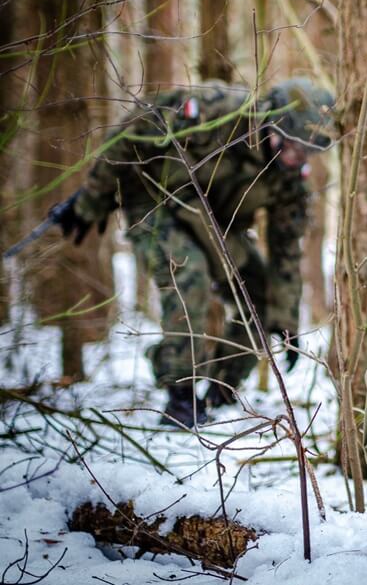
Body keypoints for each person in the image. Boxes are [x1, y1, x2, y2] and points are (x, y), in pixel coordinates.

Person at [52, 79, 335, 427]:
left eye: (308, 151)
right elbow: (135, 130)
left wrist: (286, 321)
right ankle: (181, 395)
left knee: (262, 294)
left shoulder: (290, 177)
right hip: (157, 202)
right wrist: (92, 199)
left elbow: (286, 248)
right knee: (190, 273)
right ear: (270, 122)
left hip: (216, 222)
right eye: (292, 145)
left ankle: (222, 387)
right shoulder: (218, 110)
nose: (297, 157)